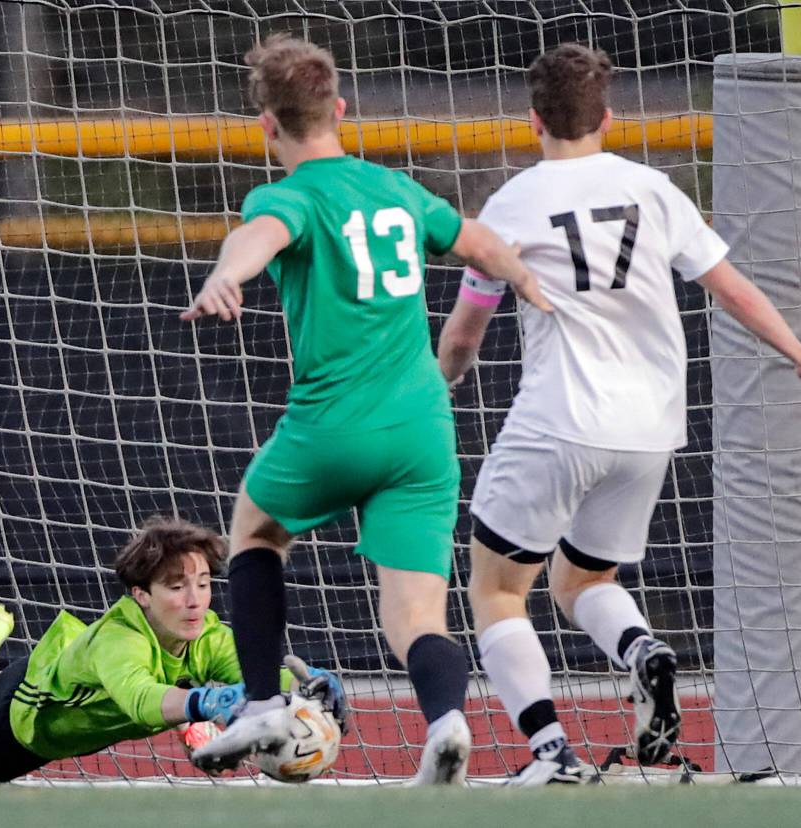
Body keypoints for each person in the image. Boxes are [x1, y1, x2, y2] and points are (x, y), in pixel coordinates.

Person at [437, 44, 801, 787]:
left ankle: (550, 753)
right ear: (609, 118)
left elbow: (466, 333)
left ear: (533, 120)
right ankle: (642, 653)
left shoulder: (512, 205)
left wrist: (439, 388)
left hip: (560, 421)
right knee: (581, 579)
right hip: (650, 428)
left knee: (497, 590)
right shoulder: (653, 189)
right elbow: (733, 290)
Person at [180, 34, 552, 785]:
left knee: (255, 526)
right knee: (416, 616)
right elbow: (479, 243)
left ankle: (259, 705)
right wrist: (531, 285)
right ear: (340, 110)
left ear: (266, 125)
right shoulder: (397, 190)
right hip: (420, 430)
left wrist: (226, 273)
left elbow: (260, 235)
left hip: (333, 425)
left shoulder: (286, 194)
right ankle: (447, 723)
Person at [0, 516, 316, 783]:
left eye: (203, 582)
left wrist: (310, 686)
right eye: (177, 587)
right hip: (22, 719)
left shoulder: (207, 634)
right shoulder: (120, 641)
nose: (195, 599)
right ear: (142, 594)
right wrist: (211, 702)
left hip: (81, 685)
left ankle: (184, 711)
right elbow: (140, 699)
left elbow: (259, 677)